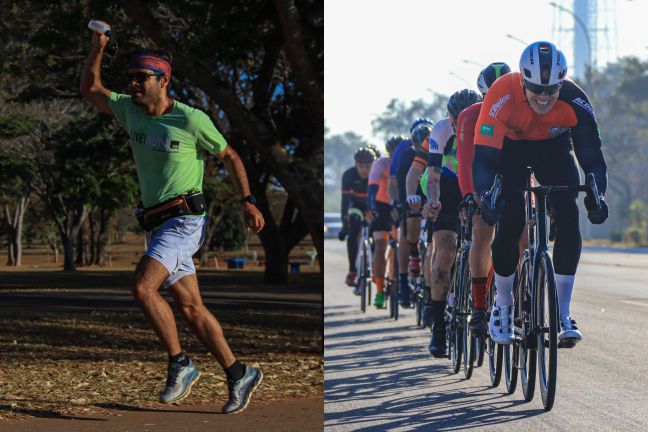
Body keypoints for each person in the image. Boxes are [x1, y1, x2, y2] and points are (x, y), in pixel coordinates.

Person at [81, 24, 265, 414]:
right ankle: (239, 373)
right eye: (130, 77)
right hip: (156, 225)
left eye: (141, 77)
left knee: (143, 288)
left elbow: (230, 155)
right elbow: (91, 89)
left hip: (184, 220)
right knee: (192, 309)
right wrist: (97, 48)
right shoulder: (130, 111)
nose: (133, 83)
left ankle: (180, 362)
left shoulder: (191, 119)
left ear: (162, 81)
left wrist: (248, 200)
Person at [473, 41, 608, 345]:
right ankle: (504, 304)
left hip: (553, 149)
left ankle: (562, 313)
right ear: (522, 80)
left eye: (552, 90)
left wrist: (597, 195)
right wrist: (487, 197)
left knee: (569, 214)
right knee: (510, 221)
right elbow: (483, 160)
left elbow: (592, 157)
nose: (544, 97)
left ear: (562, 83)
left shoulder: (575, 99)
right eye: (536, 88)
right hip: (508, 150)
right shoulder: (501, 94)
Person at [414, 89, 482, 357]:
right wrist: (432, 200)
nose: (461, 121)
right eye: (456, 118)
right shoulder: (441, 130)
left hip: (476, 184)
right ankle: (439, 325)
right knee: (444, 250)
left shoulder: (486, 123)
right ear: (449, 117)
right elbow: (432, 175)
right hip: (448, 186)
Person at [455, 62, 511, 336]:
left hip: (510, 172)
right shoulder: (469, 116)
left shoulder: (522, 107)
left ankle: (520, 297)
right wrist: (470, 196)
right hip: (482, 174)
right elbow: (465, 162)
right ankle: (479, 306)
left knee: (524, 234)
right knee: (482, 229)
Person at [387, 128, 431, 308]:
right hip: (412, 197)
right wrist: (398, 202)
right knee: (406, 230)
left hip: (430, 195)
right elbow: (399, 182)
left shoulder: (436, 151)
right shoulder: (406, 156)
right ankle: (404, 284)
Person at [367, 138, 400, 308]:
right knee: (380, 245)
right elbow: (372, 188)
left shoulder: (407, 160)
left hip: (399, 207)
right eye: (393, 155)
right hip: (381, 207)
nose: (395, 158)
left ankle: (399, 280)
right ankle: (379, 291)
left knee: (400, 245)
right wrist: (372, 207)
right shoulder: (381, 164)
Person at [338, 147, 376, 289]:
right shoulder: (348, 175)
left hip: (372, 206)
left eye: (368, 166)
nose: (364, 170)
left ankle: (373, 266)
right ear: (355, 164)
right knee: (353, 233)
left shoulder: (376, 174)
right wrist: (344, 225)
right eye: (361, 166)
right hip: (356, 205)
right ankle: (352, 271)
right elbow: (345, 201)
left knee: (376, 235)